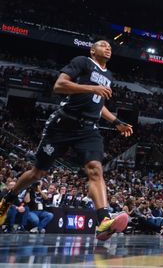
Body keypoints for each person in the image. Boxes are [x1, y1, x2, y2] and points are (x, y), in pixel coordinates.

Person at [0, 40, 132, 240]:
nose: (108, 48)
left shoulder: (108, 75)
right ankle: (7, 200)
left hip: (89, 129)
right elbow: (59, 86)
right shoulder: (82, 62)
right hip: (63, 125)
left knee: (95, 169)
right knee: (38, 173)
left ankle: (103, 220)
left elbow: (98, 104)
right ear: (92, 50)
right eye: (103, 45)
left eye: (110, 47)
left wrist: (116, 122)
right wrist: (91, 88)